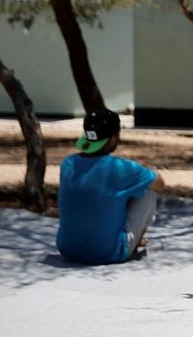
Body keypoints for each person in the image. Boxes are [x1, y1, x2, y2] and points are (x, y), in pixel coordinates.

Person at [56, 108, 165, 264]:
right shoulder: (121, 168)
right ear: (113, 139)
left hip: (68, 249)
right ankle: (134, 241)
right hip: (107, 253)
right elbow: (160, 183)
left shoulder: (67, 163)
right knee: (148, 188)